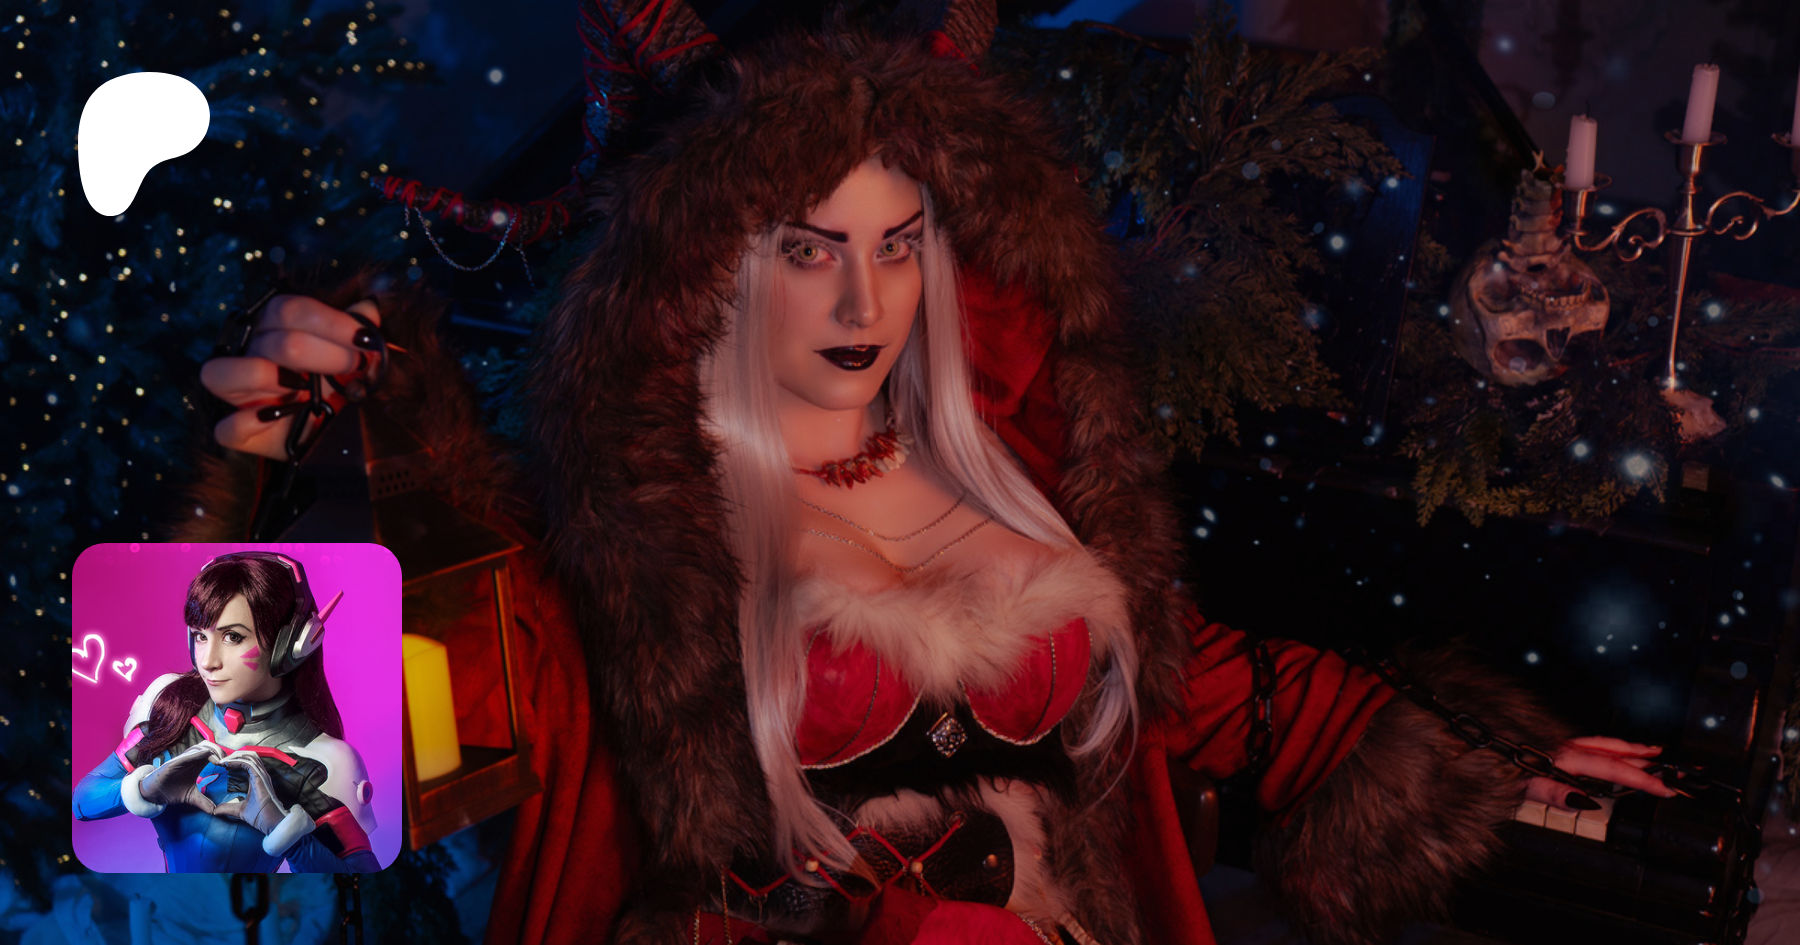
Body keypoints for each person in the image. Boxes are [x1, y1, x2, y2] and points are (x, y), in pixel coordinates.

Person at [188, 8, 1677, 944]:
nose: (865, 303)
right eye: (808, 249)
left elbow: (1177, 684)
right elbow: (216, 785)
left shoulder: (1000, 468)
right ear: (705, 266)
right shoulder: (614, 551)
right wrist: (251, 471)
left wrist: (1459, 753)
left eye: (899, 246)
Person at [72, 552, 380, 873]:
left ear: (293, 644)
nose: (207, 661)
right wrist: (140, 789)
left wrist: (288, 835)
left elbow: (362, 882)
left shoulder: (322, 761)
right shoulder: (172, 703)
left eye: (233, 637)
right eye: (200, 636)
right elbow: (82, 800)